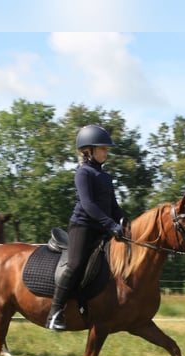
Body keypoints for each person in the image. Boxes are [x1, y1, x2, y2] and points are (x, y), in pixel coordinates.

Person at [46, 124, 127, 330]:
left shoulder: (106, 177)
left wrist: (124, 222)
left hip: (102, 228)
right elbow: (88, 205)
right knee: (76, 265)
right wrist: (110, 224)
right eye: (103, 149)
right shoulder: (83, 173)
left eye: (107, 149)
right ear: (88, 150)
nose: (106, 153)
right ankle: (55, 313)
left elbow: (113, 206)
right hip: (82, 226)